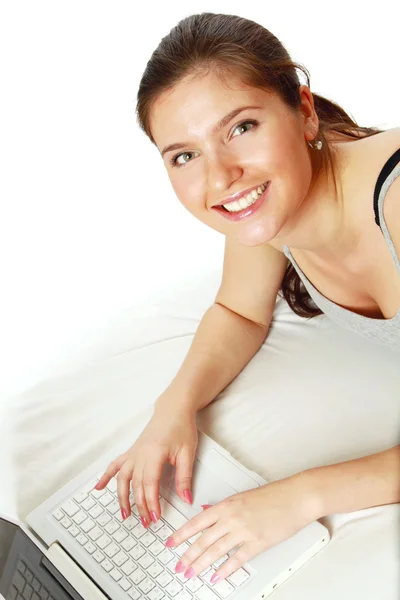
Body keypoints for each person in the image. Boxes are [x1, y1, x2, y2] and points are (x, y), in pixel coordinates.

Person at [96, 12, 400, 585]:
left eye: (241, 127)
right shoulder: (272, 208)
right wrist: (173, 409)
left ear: (304, 109)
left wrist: (299, 496)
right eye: (185, 155)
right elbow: (238, 310)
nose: (221, 178)